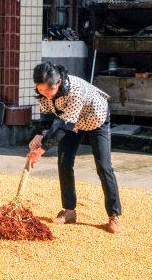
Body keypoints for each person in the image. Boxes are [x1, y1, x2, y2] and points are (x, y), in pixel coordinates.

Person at [25, 61, 123, 233]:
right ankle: (69, 211)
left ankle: (115, 215)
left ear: (59, 83)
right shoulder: (44, 91)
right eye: (40, 90)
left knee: (104, 166)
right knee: (64, 162)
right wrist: (39, 133)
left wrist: (40, 151)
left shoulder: (75, 90)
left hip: (95, 118)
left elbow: (63, 127)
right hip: (71, 123)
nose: (44, 93)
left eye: (48, 90)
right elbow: (47, 115)